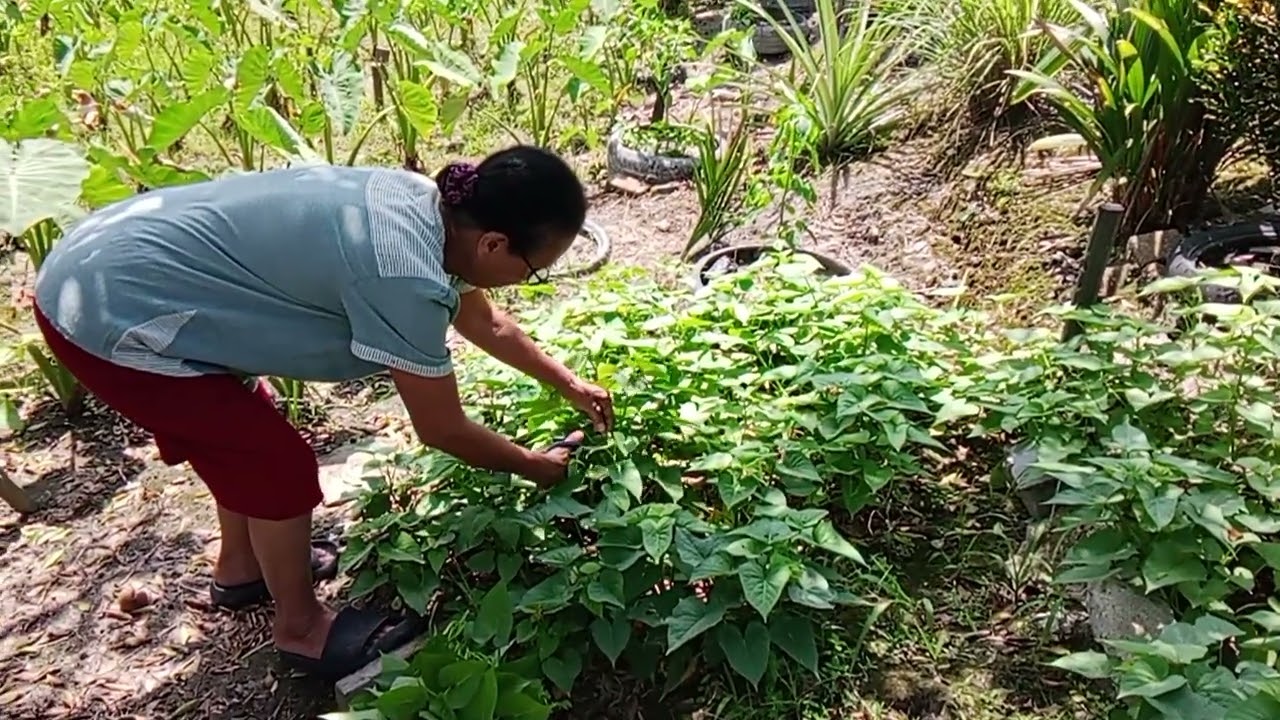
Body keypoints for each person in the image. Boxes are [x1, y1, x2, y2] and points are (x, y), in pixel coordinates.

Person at [31, 145, 614, 681]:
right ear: (493, 244)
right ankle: (302, 630)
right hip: (105, 311)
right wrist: (534, 466)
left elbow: (483, 320)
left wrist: (567, 383)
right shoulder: (403, 274)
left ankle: (243, 569)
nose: (526, 282)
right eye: (534, 270)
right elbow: (442, 428)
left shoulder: (425, 206)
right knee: (274, 462)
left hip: (110, 262)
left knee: (242, 433)